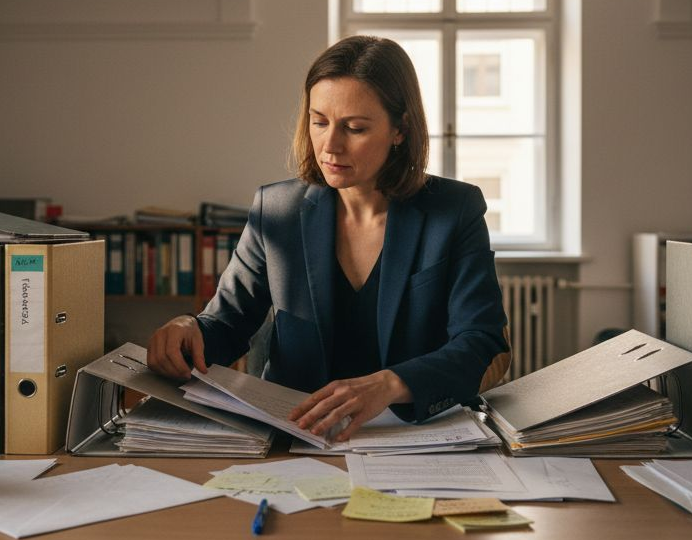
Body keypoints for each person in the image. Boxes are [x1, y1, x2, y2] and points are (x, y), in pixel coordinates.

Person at [147, 35, 508, 441]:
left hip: (409, 437)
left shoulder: (454, 210)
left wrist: (390, 384)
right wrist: (186, 328)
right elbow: (227, 324)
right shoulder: (276, 209)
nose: (330, 146)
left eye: (354, 128)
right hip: (293, 435)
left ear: (400, 130)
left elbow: (482, 341)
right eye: (319, 122)